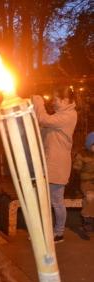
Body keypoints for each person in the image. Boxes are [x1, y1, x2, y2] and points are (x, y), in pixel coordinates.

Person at [33, 87, 77, 243]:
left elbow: (44, 120)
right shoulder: (60, 116)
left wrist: (38, 103)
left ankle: (59, 233)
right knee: (46, 200)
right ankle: (46, 232)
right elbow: (44, 128)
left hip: (57, 165)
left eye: (56, 99)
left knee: (56, 201)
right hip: (50, 163)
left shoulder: (69, 115)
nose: (54, 102)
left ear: (66, 101)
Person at [73, 131, 94, 236]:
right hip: (86, 182)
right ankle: (88, 221)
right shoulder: (82, 154)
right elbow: (76, 170)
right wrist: (77, 168)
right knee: (90, 196)